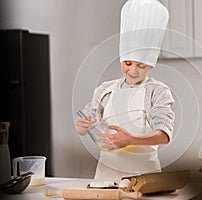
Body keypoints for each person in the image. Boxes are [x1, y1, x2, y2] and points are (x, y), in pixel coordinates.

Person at [74, 0, 174, 182]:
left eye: (141, 66)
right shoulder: (105, 90)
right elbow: (89, 120)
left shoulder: (157, 92)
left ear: (150, 65)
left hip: (144, 180)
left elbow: (164, 134)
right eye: (128, 63)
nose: (133, 71)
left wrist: (131, 140)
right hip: (106, 178)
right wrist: (81, 126)